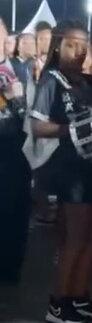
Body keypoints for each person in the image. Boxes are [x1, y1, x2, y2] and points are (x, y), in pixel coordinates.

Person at [29, 20, 92, 323]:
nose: (78, 51)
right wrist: (74, 129)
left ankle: (79, 296)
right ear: (57, 46)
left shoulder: (91, 82)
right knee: (75, 238)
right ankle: (58, 303)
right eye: (71, 44)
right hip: (71, 169)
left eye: (83, 45)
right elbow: (38, 126)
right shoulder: (51, 80)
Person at [0, 20, 31, 286]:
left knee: (16, 210)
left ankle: (11, 267)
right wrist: (6, 97)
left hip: (17, 149)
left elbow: (29, 108)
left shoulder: (19, 68)